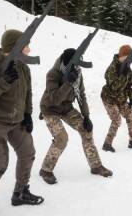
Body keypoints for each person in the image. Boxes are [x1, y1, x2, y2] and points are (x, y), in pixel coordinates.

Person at [0, 29, 43, 216]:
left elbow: (27, 93)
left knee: (28, 153)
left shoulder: (22, 66)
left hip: (15, 121)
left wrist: (27, 114)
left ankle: (20, 193)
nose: (29, 49)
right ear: (16, 47)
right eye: (26, 45)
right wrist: (3, 82)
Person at [39, 48, 112, 185]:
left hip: (66, 108)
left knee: (86, 130)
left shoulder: (77, 73)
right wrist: (67, 83)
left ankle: (96, 166)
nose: (79, 67)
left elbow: (81, 95)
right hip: (50, 109)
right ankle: (46, 169)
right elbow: (55, 99)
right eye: (76, 63)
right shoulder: (53, 74)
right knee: (62, 138)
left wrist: (86, 116)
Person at [101, 45, 132, 152]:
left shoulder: (128, 69)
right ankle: (107, 143)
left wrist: (131, 99)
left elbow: (129, 86)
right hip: (109, 98)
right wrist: (122, 75)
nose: (129, 59)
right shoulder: (112, 68)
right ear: (121, 56)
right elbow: (114, 87)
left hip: (120, 98)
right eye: (127, 56)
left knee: (131, 116)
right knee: (116, 120)